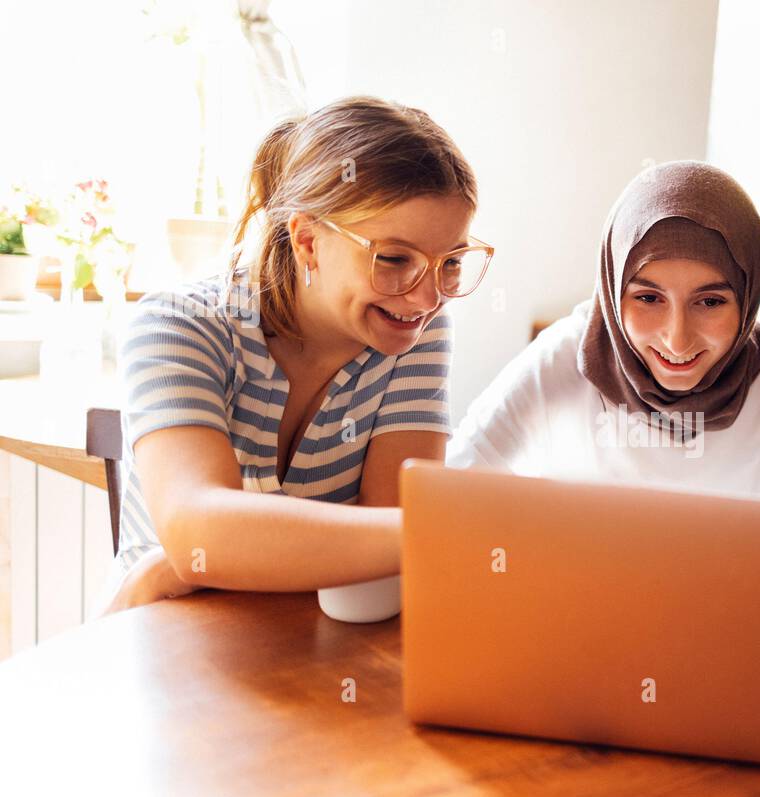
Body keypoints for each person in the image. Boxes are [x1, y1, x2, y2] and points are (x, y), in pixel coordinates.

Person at [97, 96, 492, 614]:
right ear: (307, 240)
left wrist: (188, 562)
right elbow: (198, 533)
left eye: (452, 263)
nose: (427, 296)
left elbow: (384, 547)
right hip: (160, 637)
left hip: (298, 638)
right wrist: (445, 532)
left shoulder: (414, 329)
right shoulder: (179, 325)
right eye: (394, 258)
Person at [447, 161, 760, 602]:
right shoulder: (565, 356)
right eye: (648, 298)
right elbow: (449, 492)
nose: (677, 339)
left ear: (748, 297)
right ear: (614, 290)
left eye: (710, 301)